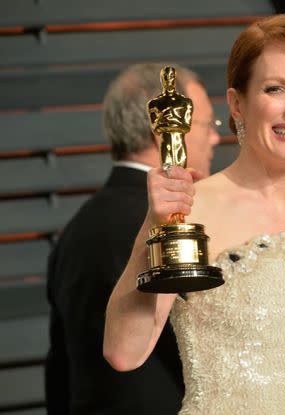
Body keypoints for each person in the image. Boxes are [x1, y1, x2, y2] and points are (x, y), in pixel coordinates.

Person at [103, 14, 285, 414]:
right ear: (237, 103)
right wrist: (150, 232)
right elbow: (124, 353)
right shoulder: (192, 209)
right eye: (276, 89)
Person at [46, 62, 220, 414]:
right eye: (206, 125)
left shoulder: (77, 228)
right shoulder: (172, 227)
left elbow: (59, 367)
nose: (216, 137)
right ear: (165, 132)